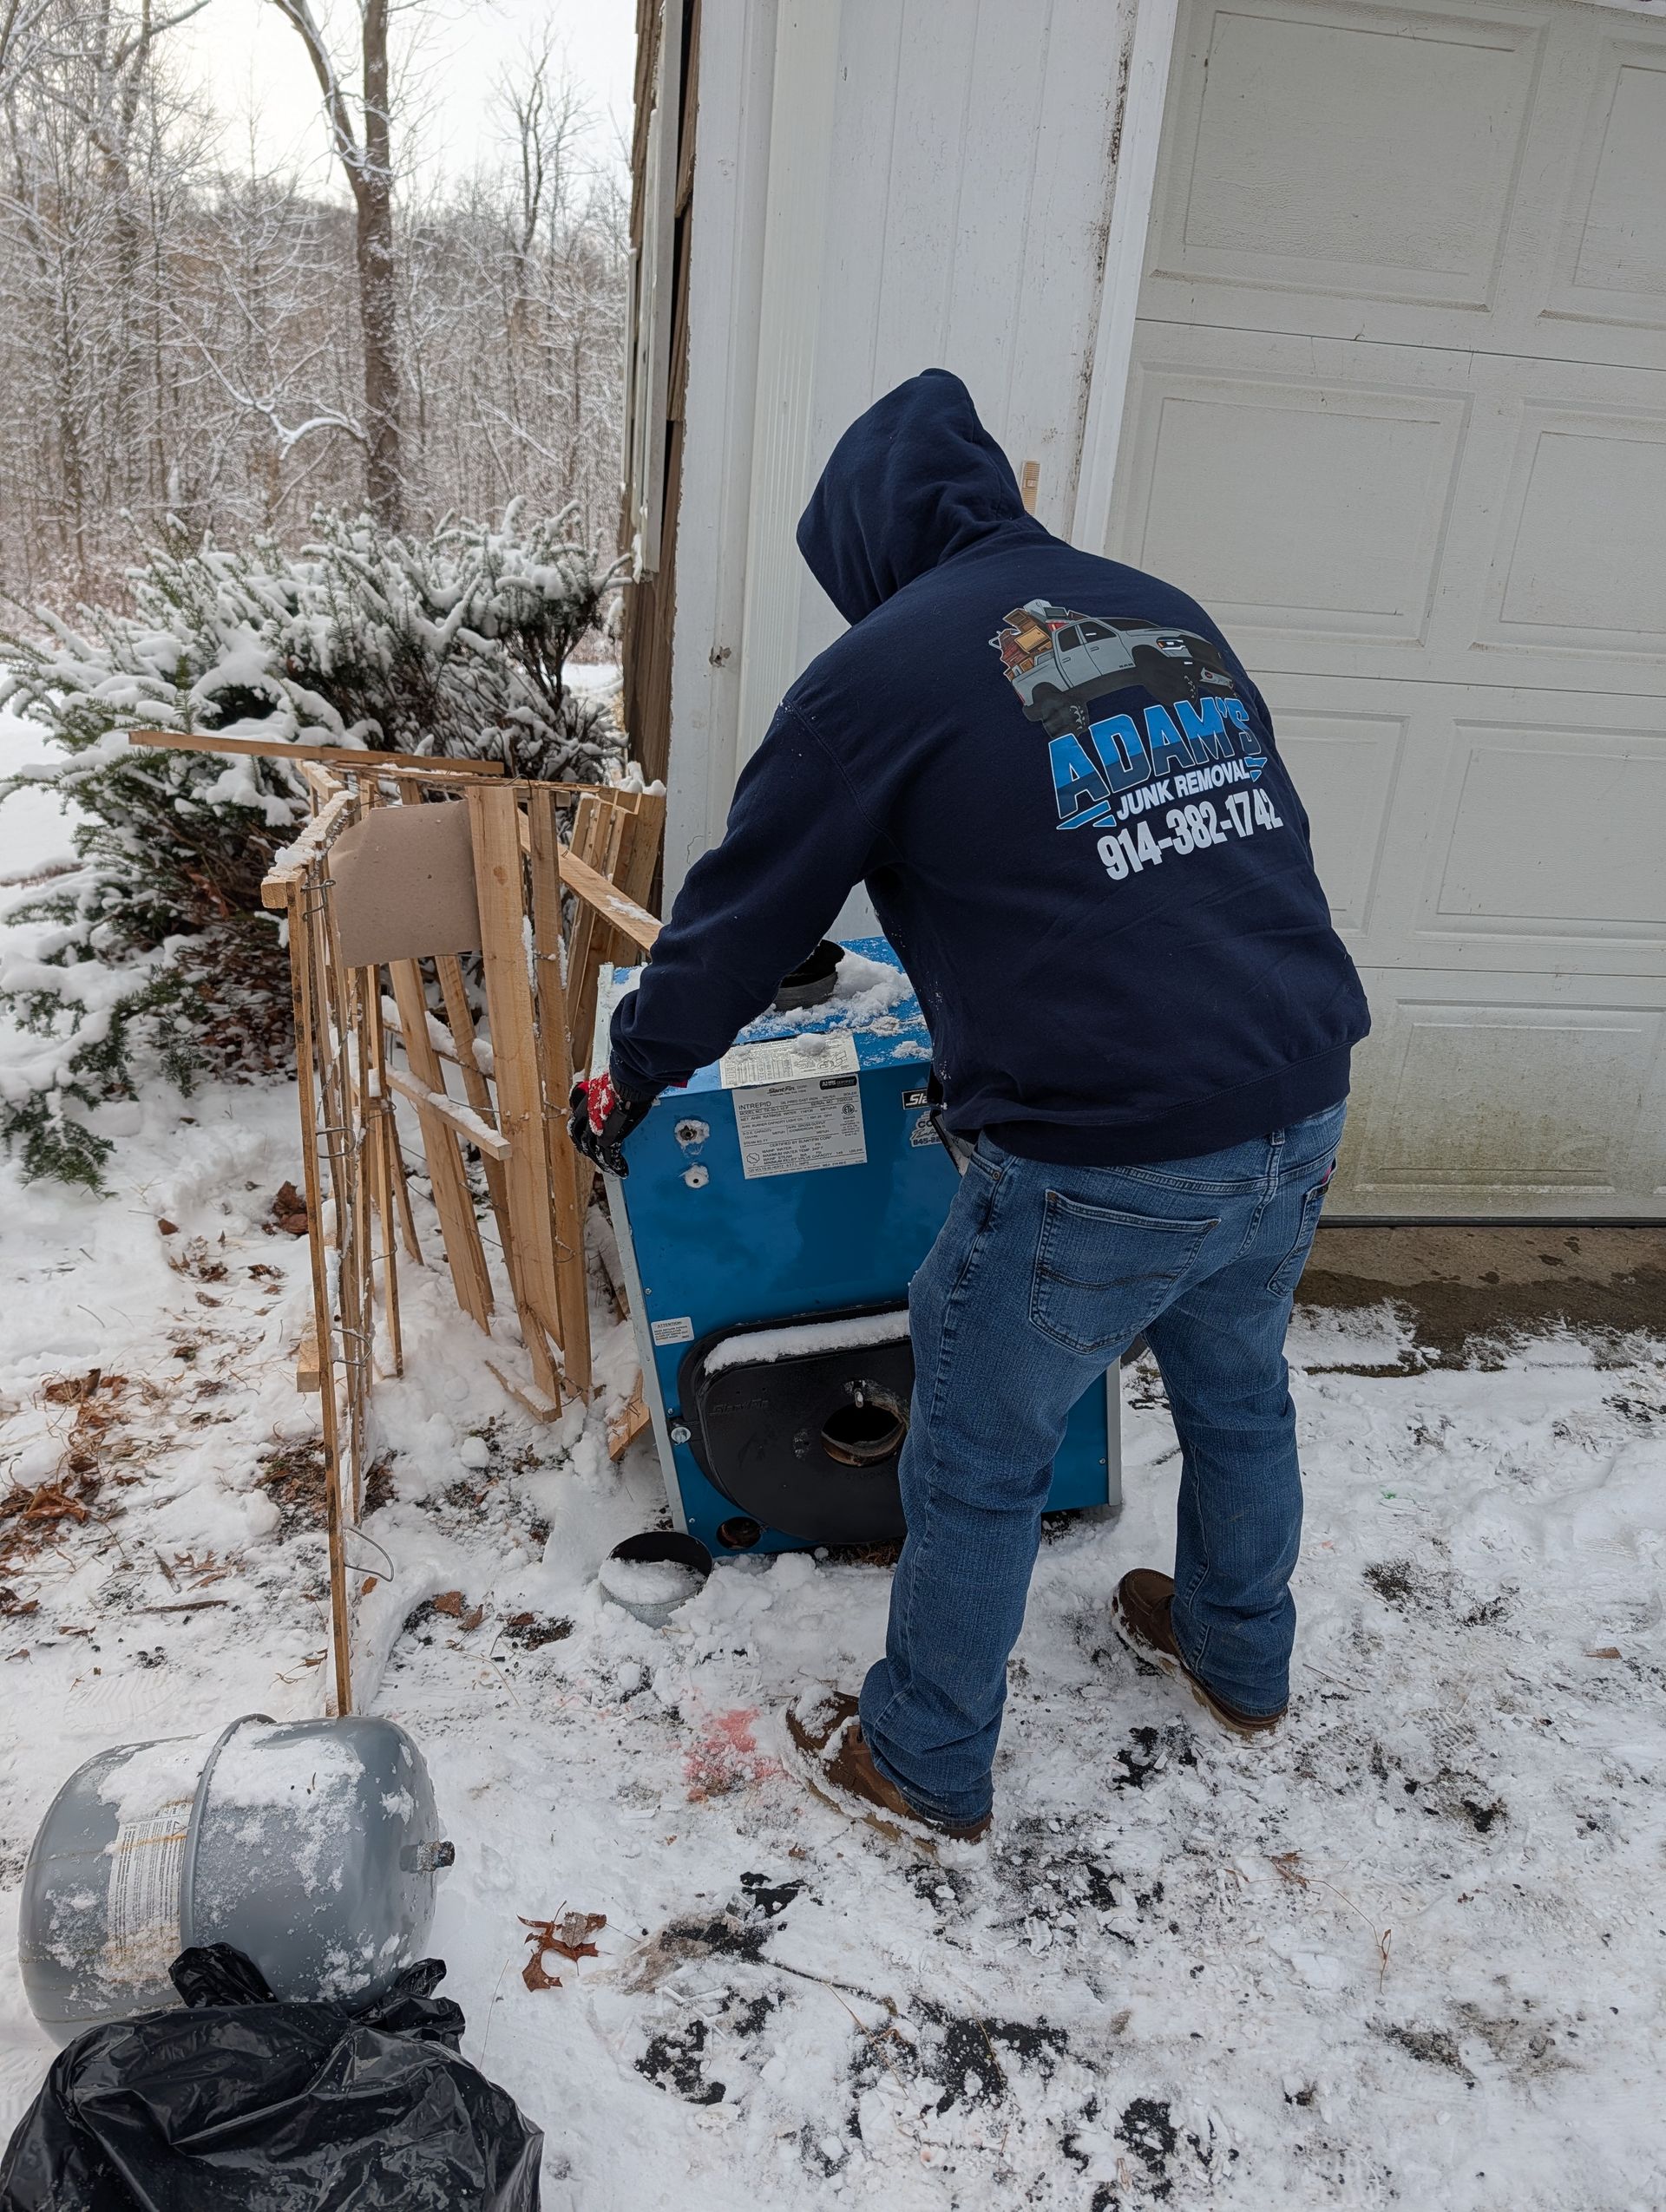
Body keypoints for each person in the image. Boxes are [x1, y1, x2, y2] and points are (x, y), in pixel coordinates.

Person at [570, 369, 1369, 1850]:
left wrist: (637, 1074)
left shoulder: (880, 673)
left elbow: (745, 918)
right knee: (1239, 1389)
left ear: (866, 546)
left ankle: (925, 1757)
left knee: (977, 1458)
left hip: (1102, 1149)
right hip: (1295, 1093)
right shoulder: (1157, 610)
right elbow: (1251, 839)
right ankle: (1239, 1656)